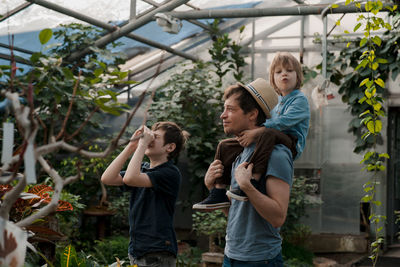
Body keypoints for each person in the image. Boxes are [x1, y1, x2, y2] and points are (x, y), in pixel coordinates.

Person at [193, 52, 310, 210]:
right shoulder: (277, 101)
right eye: (279, 72)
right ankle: (219, 191)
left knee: (268, 133)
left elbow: (283, 122)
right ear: (273, 78)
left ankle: (254, 179)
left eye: (289, 70)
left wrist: (257, 131)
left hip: (291, 141)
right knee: (225, 145)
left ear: (298, 76)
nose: (284, 74)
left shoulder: (300, 99)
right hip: (271, 136)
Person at [101, 121, 188, 267]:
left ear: (170, 147)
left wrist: (141, 146)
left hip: (157, 252)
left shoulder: (170, 173)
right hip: (138, 249)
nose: (149, 139)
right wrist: (131, 146)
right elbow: (107, 178)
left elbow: (130, 178)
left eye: (156, 137)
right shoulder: (142, 168)